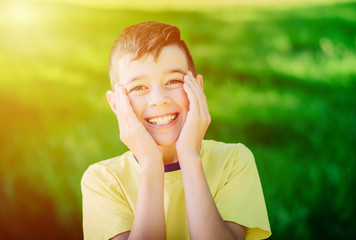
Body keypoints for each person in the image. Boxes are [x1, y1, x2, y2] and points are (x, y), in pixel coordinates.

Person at [81, 21, 271, 240]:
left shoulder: (234, 161)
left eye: (172, 81)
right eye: (138, 87)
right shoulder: (103, 180)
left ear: (198, 88)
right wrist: (151, 164)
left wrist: (189, 156)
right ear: (116, 103)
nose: (159, 100)